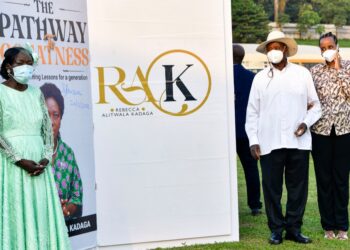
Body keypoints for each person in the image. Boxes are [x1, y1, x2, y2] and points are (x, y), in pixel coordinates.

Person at [245, 31, 322, 245]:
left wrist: (305, 123)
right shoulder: (259, 79)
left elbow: (316, 105)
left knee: (298, 189)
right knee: (271, 188)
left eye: (277, 48)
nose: (273, 52)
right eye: (270, 49)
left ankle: (294, 229)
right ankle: (276, 229)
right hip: (269, 142)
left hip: (298, 142)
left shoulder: (301, 74)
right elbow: (252, 112)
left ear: (285, 49)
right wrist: (253, 140)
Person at [0, 46, 71, 248]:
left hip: (39, 166)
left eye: (29, 63)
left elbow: (46, 129)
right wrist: (18, 160)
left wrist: (47, 157)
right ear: (8, 67)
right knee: (17, 212)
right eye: (20, 63)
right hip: (11, 166)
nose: (26, 68)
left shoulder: (36, 93)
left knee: (40, 211)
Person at [310, 32, 350, 240]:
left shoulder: (349, 67)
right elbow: (310, 100)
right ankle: (328, 227)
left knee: (341, 180)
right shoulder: (314, 72)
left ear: (337, 46)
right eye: (323, 48)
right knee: (324, 180)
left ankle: (342, 227)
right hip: (321, 132)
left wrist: (338, 68)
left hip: (344, 131)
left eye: (329, 46)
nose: (326, 50)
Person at [40, 83, 83, 220]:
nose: (51, 122)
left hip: (62, 230)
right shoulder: (28, 151)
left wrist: (65, 209)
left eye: (56, 115)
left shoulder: (68, 154)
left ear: (61, 118)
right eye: (46, 115)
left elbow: (77, 197)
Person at [233, 44, 262, 216]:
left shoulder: (223, 77)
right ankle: (255, 205)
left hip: (226, 132)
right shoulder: (252, 78)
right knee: (251, 169)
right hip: (246, 131)